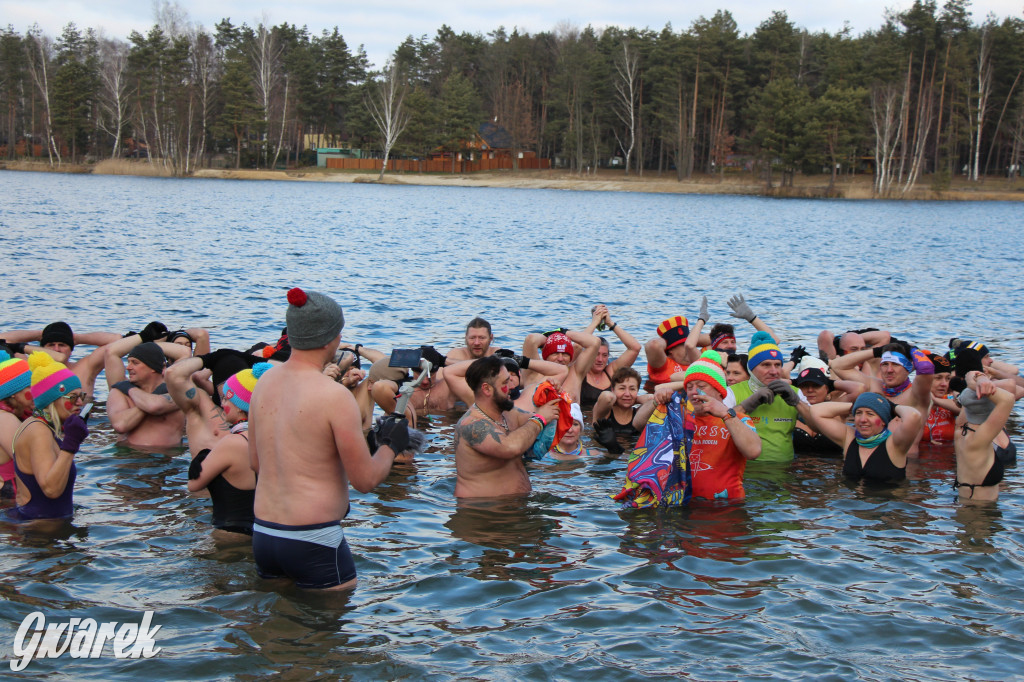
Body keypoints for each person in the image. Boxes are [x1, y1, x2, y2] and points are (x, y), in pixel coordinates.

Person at [249, 287, 410, 590]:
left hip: (264, 533)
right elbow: (364, 480)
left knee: (274, 632)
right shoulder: (334, 395)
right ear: (333, 337)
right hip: (313, 538)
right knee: (328, 632)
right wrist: (390, 444)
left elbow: (255, 462)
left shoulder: (265, 382)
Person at [453, 355, 560, 498]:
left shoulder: (509, 414)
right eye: (505, 382)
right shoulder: (471, 425)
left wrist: (550, 396)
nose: (512, 386)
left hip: (516, 508)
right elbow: (510, 447)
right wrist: (539, 419)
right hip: (481, 513)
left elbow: (546, 424)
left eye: (510, 380)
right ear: (487, 389)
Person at [188, 363, 271, 535]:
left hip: (231, 535)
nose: (222, 403)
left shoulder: (232, 443)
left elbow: (194, 484)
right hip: (266, 534)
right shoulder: (274, 439)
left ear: (241, 406)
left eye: (226, 399)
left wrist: (202, 456)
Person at [7, 351, 88, 519]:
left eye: (81, 396)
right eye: (72, 398)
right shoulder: (39, 431)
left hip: (46, 527)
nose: (80, 403)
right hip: (41, 533)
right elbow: (51, 489)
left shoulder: (41, 426)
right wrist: (71, 445)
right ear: (52, 399)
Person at [678, 352, 761, 500]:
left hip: (727, 507)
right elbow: (638, 424)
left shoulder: (738, 419)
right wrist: (656, 400)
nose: (693, 392)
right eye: (689, 387)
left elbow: (753, 452)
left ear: (718, 390)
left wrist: (725, 414)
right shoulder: (681, 419)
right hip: (686, 505)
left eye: (701, 386)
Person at [830, 340, 934, 455]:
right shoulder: (874, 385)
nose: (889, 370)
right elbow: (837, 365)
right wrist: (878, 350)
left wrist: (913, 349)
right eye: (885, 364)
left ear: (908, 368)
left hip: (906, 464)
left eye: (896, 364)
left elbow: (926, 368)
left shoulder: (917, 394)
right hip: (868, 459)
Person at [729, 331, 818, 463]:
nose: (774, 371)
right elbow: (719, 425)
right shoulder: (732, 392)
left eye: (778, 365)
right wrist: (747, 405)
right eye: (766, 365)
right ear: (751, 369)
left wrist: (796, 402)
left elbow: (816, 427)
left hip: (783, 471)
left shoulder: (794, 393)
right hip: (745, 473)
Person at [811, 392, 922, 484]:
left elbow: (914, 416)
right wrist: (857, 404)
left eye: (870, 414)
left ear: (883, 421)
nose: (863, 419)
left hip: (887, 507)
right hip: (851, 507)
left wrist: (893, 407)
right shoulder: (849, 438)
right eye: (858, 413)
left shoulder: (895, 445)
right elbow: (816, 411)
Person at [105, 334, 188, 449]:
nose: (128, 367)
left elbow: (154, 405)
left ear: (153, 367)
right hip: (128, 457)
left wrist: (130, 389)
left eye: (135, 362)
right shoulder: (119, 392)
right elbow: (121, 425)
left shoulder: (177, 392)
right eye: (128, 362)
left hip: (166, 458)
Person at [953, 372, 1015, 501]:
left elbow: (968, 398)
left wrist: (976, 382)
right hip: (979, 516)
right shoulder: (980, 438)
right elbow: (1008, 399)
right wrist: (979, 381)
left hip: (968, 513)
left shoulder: (960, 432)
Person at [579, 305, 641, 410]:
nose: (600, 360)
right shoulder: (579, 372)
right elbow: (577, 346)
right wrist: (595, 322)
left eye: (604, 355)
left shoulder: (611, 372)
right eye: (596, 355)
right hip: (585, 423)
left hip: (607, 423)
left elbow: (635, 347)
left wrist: (610, 323)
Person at [521, 328, 600, 402]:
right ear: (545, 356)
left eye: (565, 354)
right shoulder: (534, 374)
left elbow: (595, 342)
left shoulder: (575, 374)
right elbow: (531, 340)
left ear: (570, 358)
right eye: (555, 353)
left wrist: (564, 332)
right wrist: (550, 337)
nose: (560, 358)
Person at [591, 367, 651, 454]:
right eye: (622, 388)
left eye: (632, 389)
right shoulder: (604, 412)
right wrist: (624, 399)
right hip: (604, 455)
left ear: (638, 391)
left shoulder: (638, 414)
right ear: (612, 389)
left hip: (629, 456)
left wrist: (634, 399)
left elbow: (652, 399)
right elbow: (607, 397)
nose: (627, 394)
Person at [792, 367, 845, 457]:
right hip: (796, 469)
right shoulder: (790, 411)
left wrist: (830, 383)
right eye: (804, 386)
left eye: (816, 385)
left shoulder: (838, 411)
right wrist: (792, 383)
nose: (810, 390)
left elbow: (859, 388)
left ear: (827, 389)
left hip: (833, 469)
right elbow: (771, 385)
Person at [923, 353, 958, 444]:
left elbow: (965, 410)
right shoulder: (911, 401)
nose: (944, 384)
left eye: (948, 378)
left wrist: (935, 400)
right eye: (938, 378)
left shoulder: (951, 399)